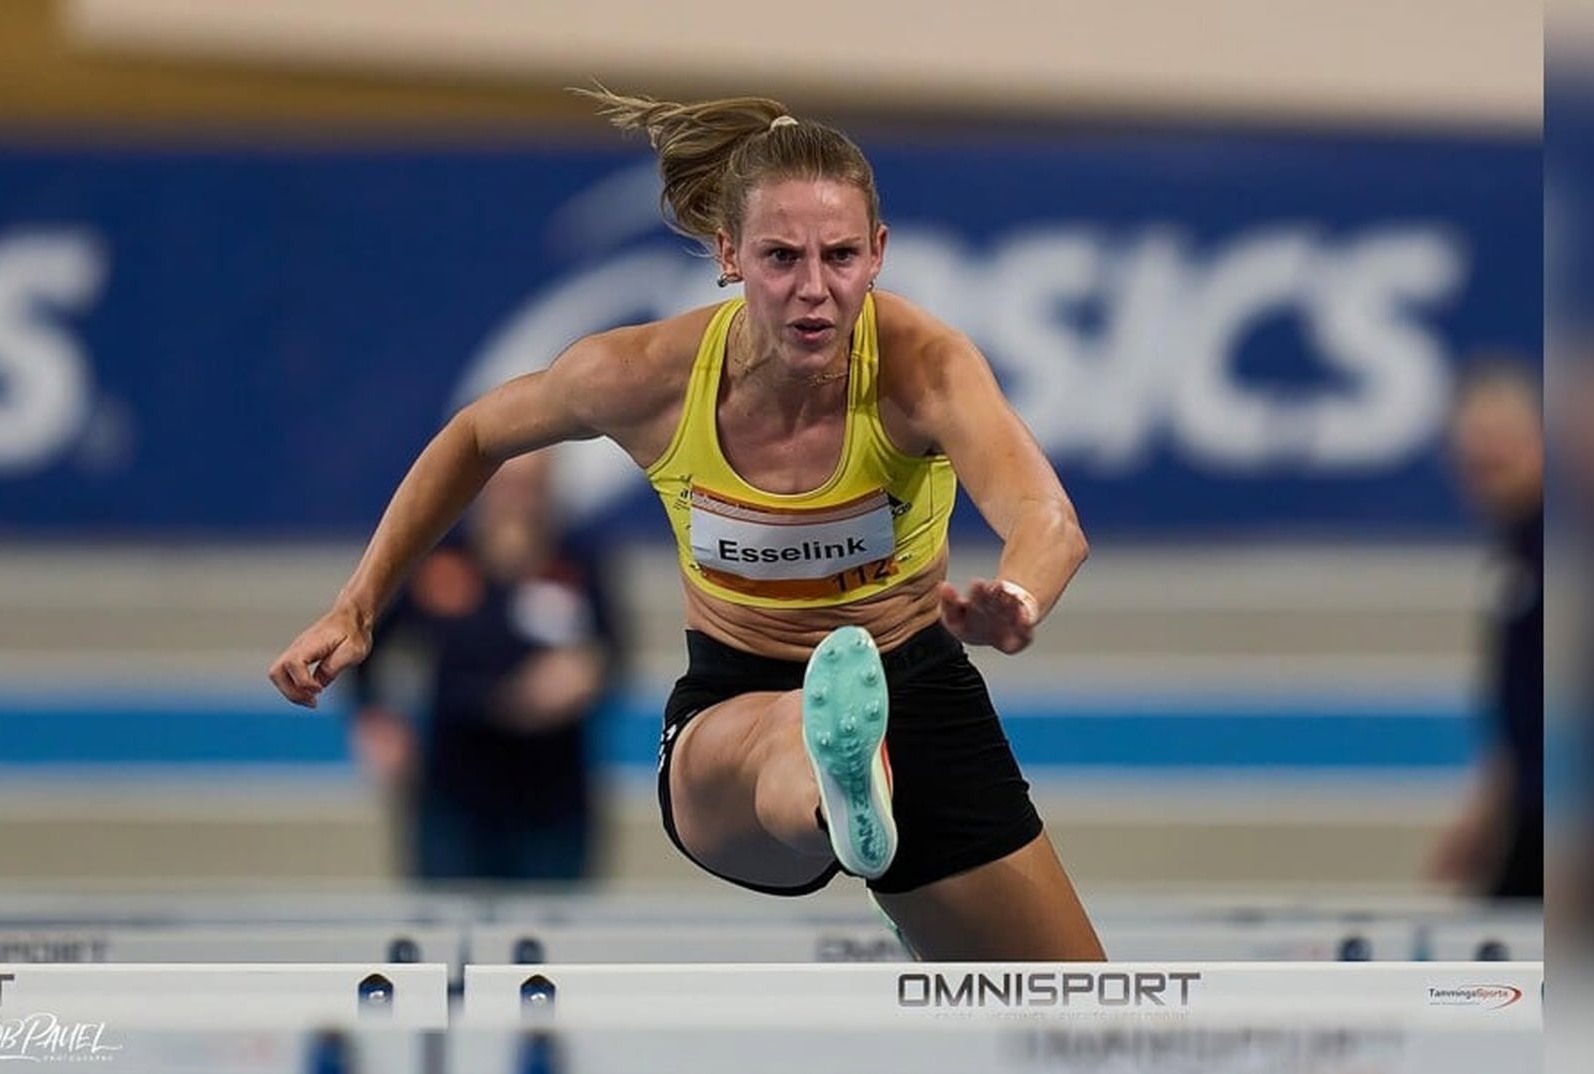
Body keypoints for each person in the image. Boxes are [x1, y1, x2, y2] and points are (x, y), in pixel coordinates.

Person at [271, 89, 1104, 961]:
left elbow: (1046, 517)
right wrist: (358, 607)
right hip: (733, 711)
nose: (813, 290)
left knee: (1084, 1023)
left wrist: (1020, 592)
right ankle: (836, 786)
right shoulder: (648, 375)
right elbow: (476, 434)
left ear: (878, 255)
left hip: (921, 694)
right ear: (728, 254)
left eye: (840, 256)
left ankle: (863, 808)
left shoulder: (923, 366)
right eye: (781, 257)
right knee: (792, 745)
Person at [346, 450, 621, 882]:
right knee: (446, 922)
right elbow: (367, 646)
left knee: (551, 931)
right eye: (506, 484)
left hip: (550, 795)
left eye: (530, 486)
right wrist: (376, 720)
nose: (517, 500)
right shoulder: (440, 560)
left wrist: (582, 677)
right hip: (454, 790)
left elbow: (612, 656)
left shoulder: (577, 565)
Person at [1426, 360, 1543, 900]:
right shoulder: (1517, 548)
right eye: (1473, 447)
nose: (1485, 457)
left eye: (1501, 440)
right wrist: (1487, 808)